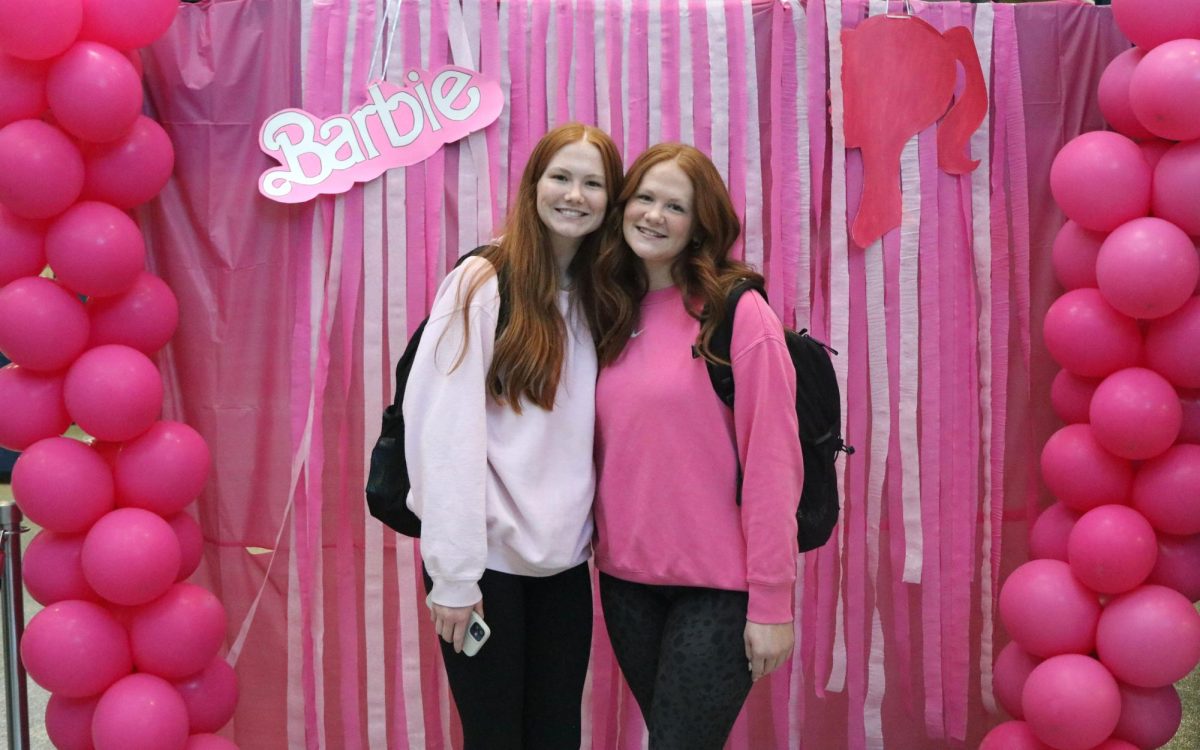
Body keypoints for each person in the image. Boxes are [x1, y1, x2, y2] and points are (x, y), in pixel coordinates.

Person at [403, 122, 622, 750]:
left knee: (556, 736)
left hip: (564, 564)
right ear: (533, 185)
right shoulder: (482, 281)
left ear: (611, 199)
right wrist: (454, 578)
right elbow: (442, 437)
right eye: (560, 177)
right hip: (485, 565)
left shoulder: (602, 293)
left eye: (593, 183)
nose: (574, 195)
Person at [591, 143, 805, 748]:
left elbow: (773, 464)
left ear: (699, 224)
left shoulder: (738, 313)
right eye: (644, 198)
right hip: (626, 581)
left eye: (675, 206)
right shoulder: (608, 310)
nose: (654, 215)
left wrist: (771, 603)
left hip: (720, 590)